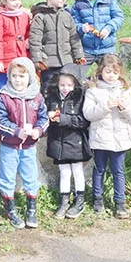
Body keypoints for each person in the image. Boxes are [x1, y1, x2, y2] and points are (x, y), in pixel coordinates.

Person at [83, 54, 131, 219]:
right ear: (100, 71)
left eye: (115, 73)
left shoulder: (127, 91)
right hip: (100, 138)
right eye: (108, 72)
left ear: (120, 73)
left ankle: (120, 202)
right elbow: (88, 114)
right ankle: (97, 198)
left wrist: (124, 108)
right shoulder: (93, 91)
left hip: (120, 139)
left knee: (118, 171)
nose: (111, 76)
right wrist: (105, 106)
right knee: (99, 169)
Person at [0, 57, 48, 229]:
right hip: (9, 145)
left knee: (31, 177)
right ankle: (10, 209)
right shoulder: (4, 96)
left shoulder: (36, 97)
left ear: (30, 77)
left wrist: (38, 130)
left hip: (29, 147)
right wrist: (16, 131)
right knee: (7, 178)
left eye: (22, 76)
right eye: (14, 76)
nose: (18, 80)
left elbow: (44, 118)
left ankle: (31, 209)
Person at [45, 64, 92, 219]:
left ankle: (79, 200)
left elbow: (83, 121)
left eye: (69, 85)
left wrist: (62, 119)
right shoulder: (51, 96)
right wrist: (49, 117)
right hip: (58, 141)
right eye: (62, 85)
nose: (65, 88)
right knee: (64, 171)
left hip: (75, 140)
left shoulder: (80, 97)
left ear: (75, 84)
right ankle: (64, 201)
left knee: (77, 170)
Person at [29, 0, 84, 94]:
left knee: (68, 89)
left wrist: (79, 55)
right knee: (48, 89)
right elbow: (35, 40)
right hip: (48, 63)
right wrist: (37, 59)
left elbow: (74, 37)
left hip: (66, 62)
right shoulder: (40, 17)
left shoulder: (67, 16)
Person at [71, 0, 125, 72]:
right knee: (76, 73)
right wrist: (81, 28)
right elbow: (74, 23)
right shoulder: (78, 5)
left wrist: (109, 28)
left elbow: (119, 17)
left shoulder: (109, 0)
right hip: (86, 49)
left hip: (107, 47)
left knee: (112, 73)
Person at [0, 0, 31, 107]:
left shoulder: (24, 16)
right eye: (13, 0)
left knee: (20, 84)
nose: (17, 3)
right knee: (1, 85)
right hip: (6, 60)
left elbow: (28, 32)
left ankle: (18, 108)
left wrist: (28, 40)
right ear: (3, 1)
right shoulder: (0, 17)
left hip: (21, 57)